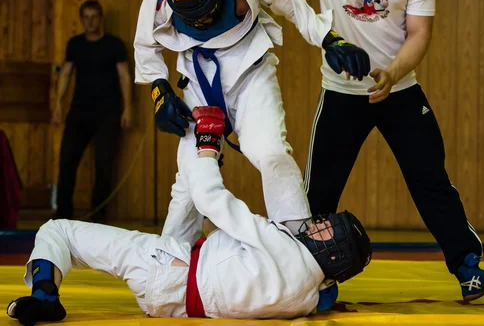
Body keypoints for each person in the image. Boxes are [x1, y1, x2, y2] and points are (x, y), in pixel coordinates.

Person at [280, 0, 484, 301]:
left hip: (399, 91)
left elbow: (419, 33)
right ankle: (313, 280)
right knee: (319, 192)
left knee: (432, 181)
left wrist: (392, 73)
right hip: (341, 94)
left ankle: (468, 269)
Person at [6, 106, 372, 326]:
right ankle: (193, 146)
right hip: (180, 294)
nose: (322, 222)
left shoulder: (285, 249)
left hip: (166, 268)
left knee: (58, 231)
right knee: (187, 180)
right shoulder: (311, 297)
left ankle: (45, 296)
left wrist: (210, 147)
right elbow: (326, 293)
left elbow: (213, 202)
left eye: (330, 230)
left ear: (335, 253)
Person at [134, 0, 370, 244]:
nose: (203, 22)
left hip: (250, 71)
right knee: (190, 176)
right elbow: (144, 46)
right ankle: (171, 261)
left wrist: (330, 38)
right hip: (197, 76)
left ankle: (299, 246)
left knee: (270, 152)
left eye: (206, 13)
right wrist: (160, 93)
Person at [52, 0, 132, 223]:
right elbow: (66, 74)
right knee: (67, 161)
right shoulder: (75, 44)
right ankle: (62, 215)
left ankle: (98, 218)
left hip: (108, 113)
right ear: (81, 20)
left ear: (101, 18)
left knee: (104, 166)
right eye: (86, 17)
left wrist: (128, 108)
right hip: (79, 112)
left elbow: (124, 76)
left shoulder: (114, 45)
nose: (90, 21)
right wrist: (58, 104)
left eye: (94, 16)